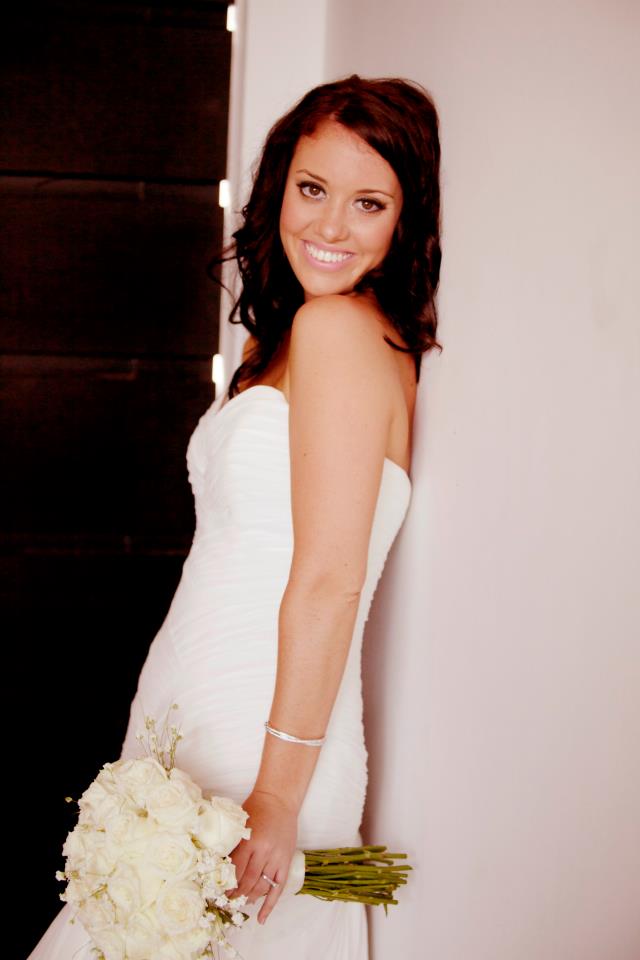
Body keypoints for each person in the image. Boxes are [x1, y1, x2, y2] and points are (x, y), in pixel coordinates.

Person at [28, 73, 442, 959]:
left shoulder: (342, 332)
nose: (331, 227)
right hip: (193, 713)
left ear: (407, 220)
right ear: (278, 187)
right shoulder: (281, 338)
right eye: (312, 189)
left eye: (369, 203)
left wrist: (280, 795)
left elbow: (331, 578)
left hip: (267, 737)